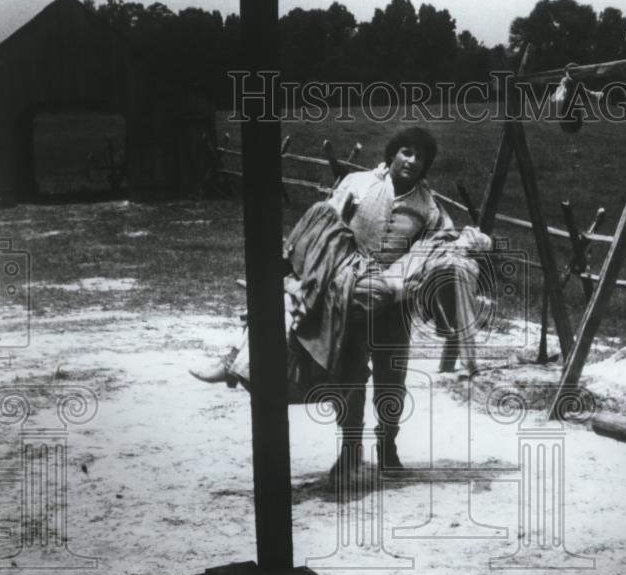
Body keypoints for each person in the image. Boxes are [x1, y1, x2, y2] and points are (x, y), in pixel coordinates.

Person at [192, 126, 489, 485]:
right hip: (347, 292)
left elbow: (442, 242)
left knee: (390, 381)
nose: (411, 161)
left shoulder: (427, 205)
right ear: (392, 153)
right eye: (406, 152)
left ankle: (388, 448)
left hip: (393, 300)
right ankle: (349, 453)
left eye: (420, 157)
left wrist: (462, 247)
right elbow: (323, 229)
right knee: (348, 374)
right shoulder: (358, 183)